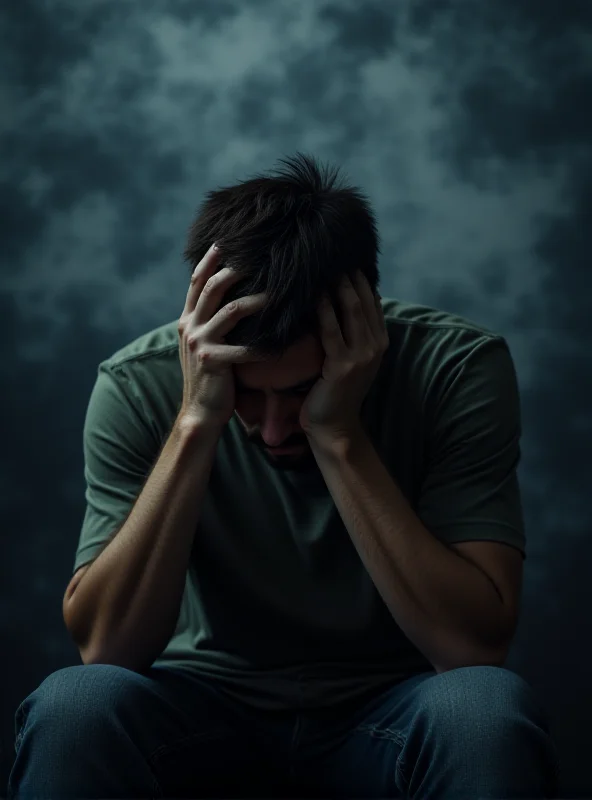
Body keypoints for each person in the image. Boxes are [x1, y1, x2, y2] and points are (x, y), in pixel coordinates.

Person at [8, 153, 559, 799]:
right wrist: (196, 420)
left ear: (363, 328)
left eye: (301, 389)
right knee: (75, 704)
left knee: (483, 709)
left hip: (391, 717)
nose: (272, 431)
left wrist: (338, 433)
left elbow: (471, 651)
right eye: (246, 392)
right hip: (198, 713)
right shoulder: (136, 384)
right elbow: (105, 648)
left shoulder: (456, 368)